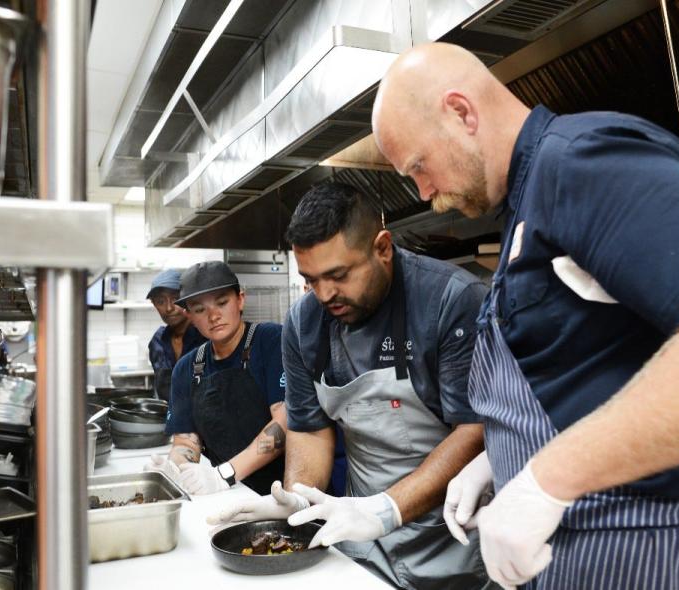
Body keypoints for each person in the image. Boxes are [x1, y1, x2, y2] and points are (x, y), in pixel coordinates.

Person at [371, 43, 679, 589]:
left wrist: (545, 479)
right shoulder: (527, 201)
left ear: (462, 113)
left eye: (418, 166)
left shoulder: (578, 163)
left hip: (650, 554)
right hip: (585, 554)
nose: (424, 191)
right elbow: (592, 364)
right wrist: (500, 461)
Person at [207, 182, 492, 589]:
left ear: (382, 247)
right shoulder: (304, 323)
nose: (324, 294)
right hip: (359, 547)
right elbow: (309, 430)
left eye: (338, 275)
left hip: (453, 543)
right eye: (310, 278)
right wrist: (298, 499)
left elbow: (475, 430)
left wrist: (387, 509)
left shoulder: (450, 300)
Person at [144, 261, 287, 496]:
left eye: (222, 303)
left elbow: (284, 422)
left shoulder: (271, 341)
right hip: (228, 495)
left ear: (240, 299)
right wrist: (173, 468)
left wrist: (226, 473)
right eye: (200, 309)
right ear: (189, 314)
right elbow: (186, 443)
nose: (213, 316)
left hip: (281, 492)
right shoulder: (186, 368)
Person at [146, 269, 206, 402]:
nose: (168, 308)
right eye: (160, 301)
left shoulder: (207, 336)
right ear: (154, 305)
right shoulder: (157, 341)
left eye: (175, 299)